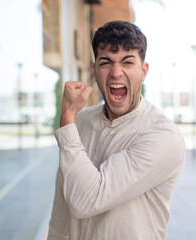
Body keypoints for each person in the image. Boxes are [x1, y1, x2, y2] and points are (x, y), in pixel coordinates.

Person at [47, 20, 185, 240]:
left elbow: (87, 200)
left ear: (144, 71)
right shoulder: (79, 122)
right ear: (94, 71)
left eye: (127, 62)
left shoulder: (163, 137)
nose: (116, 72)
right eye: (106, 63)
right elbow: (61, 210)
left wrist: (66, 119)